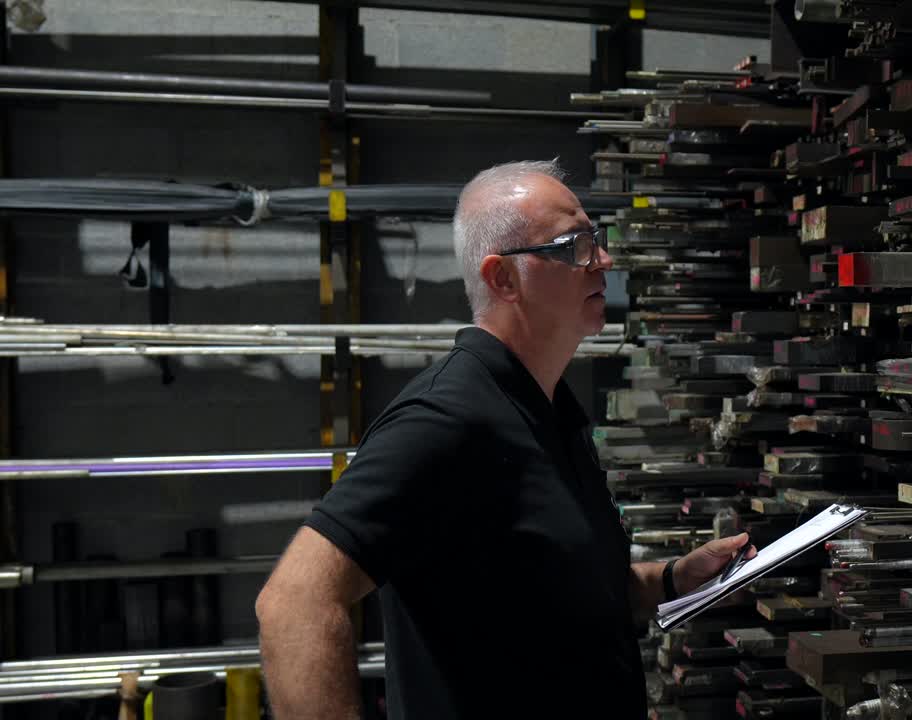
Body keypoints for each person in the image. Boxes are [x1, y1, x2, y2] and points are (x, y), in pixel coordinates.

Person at [255, 159, 756, 719]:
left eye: (598, 240)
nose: (605, 262)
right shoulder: (445, 419)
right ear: (503, 279)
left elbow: (557, 592)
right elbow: (293, 602)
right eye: (575, 246)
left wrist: (670, 579)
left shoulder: (549, 411)